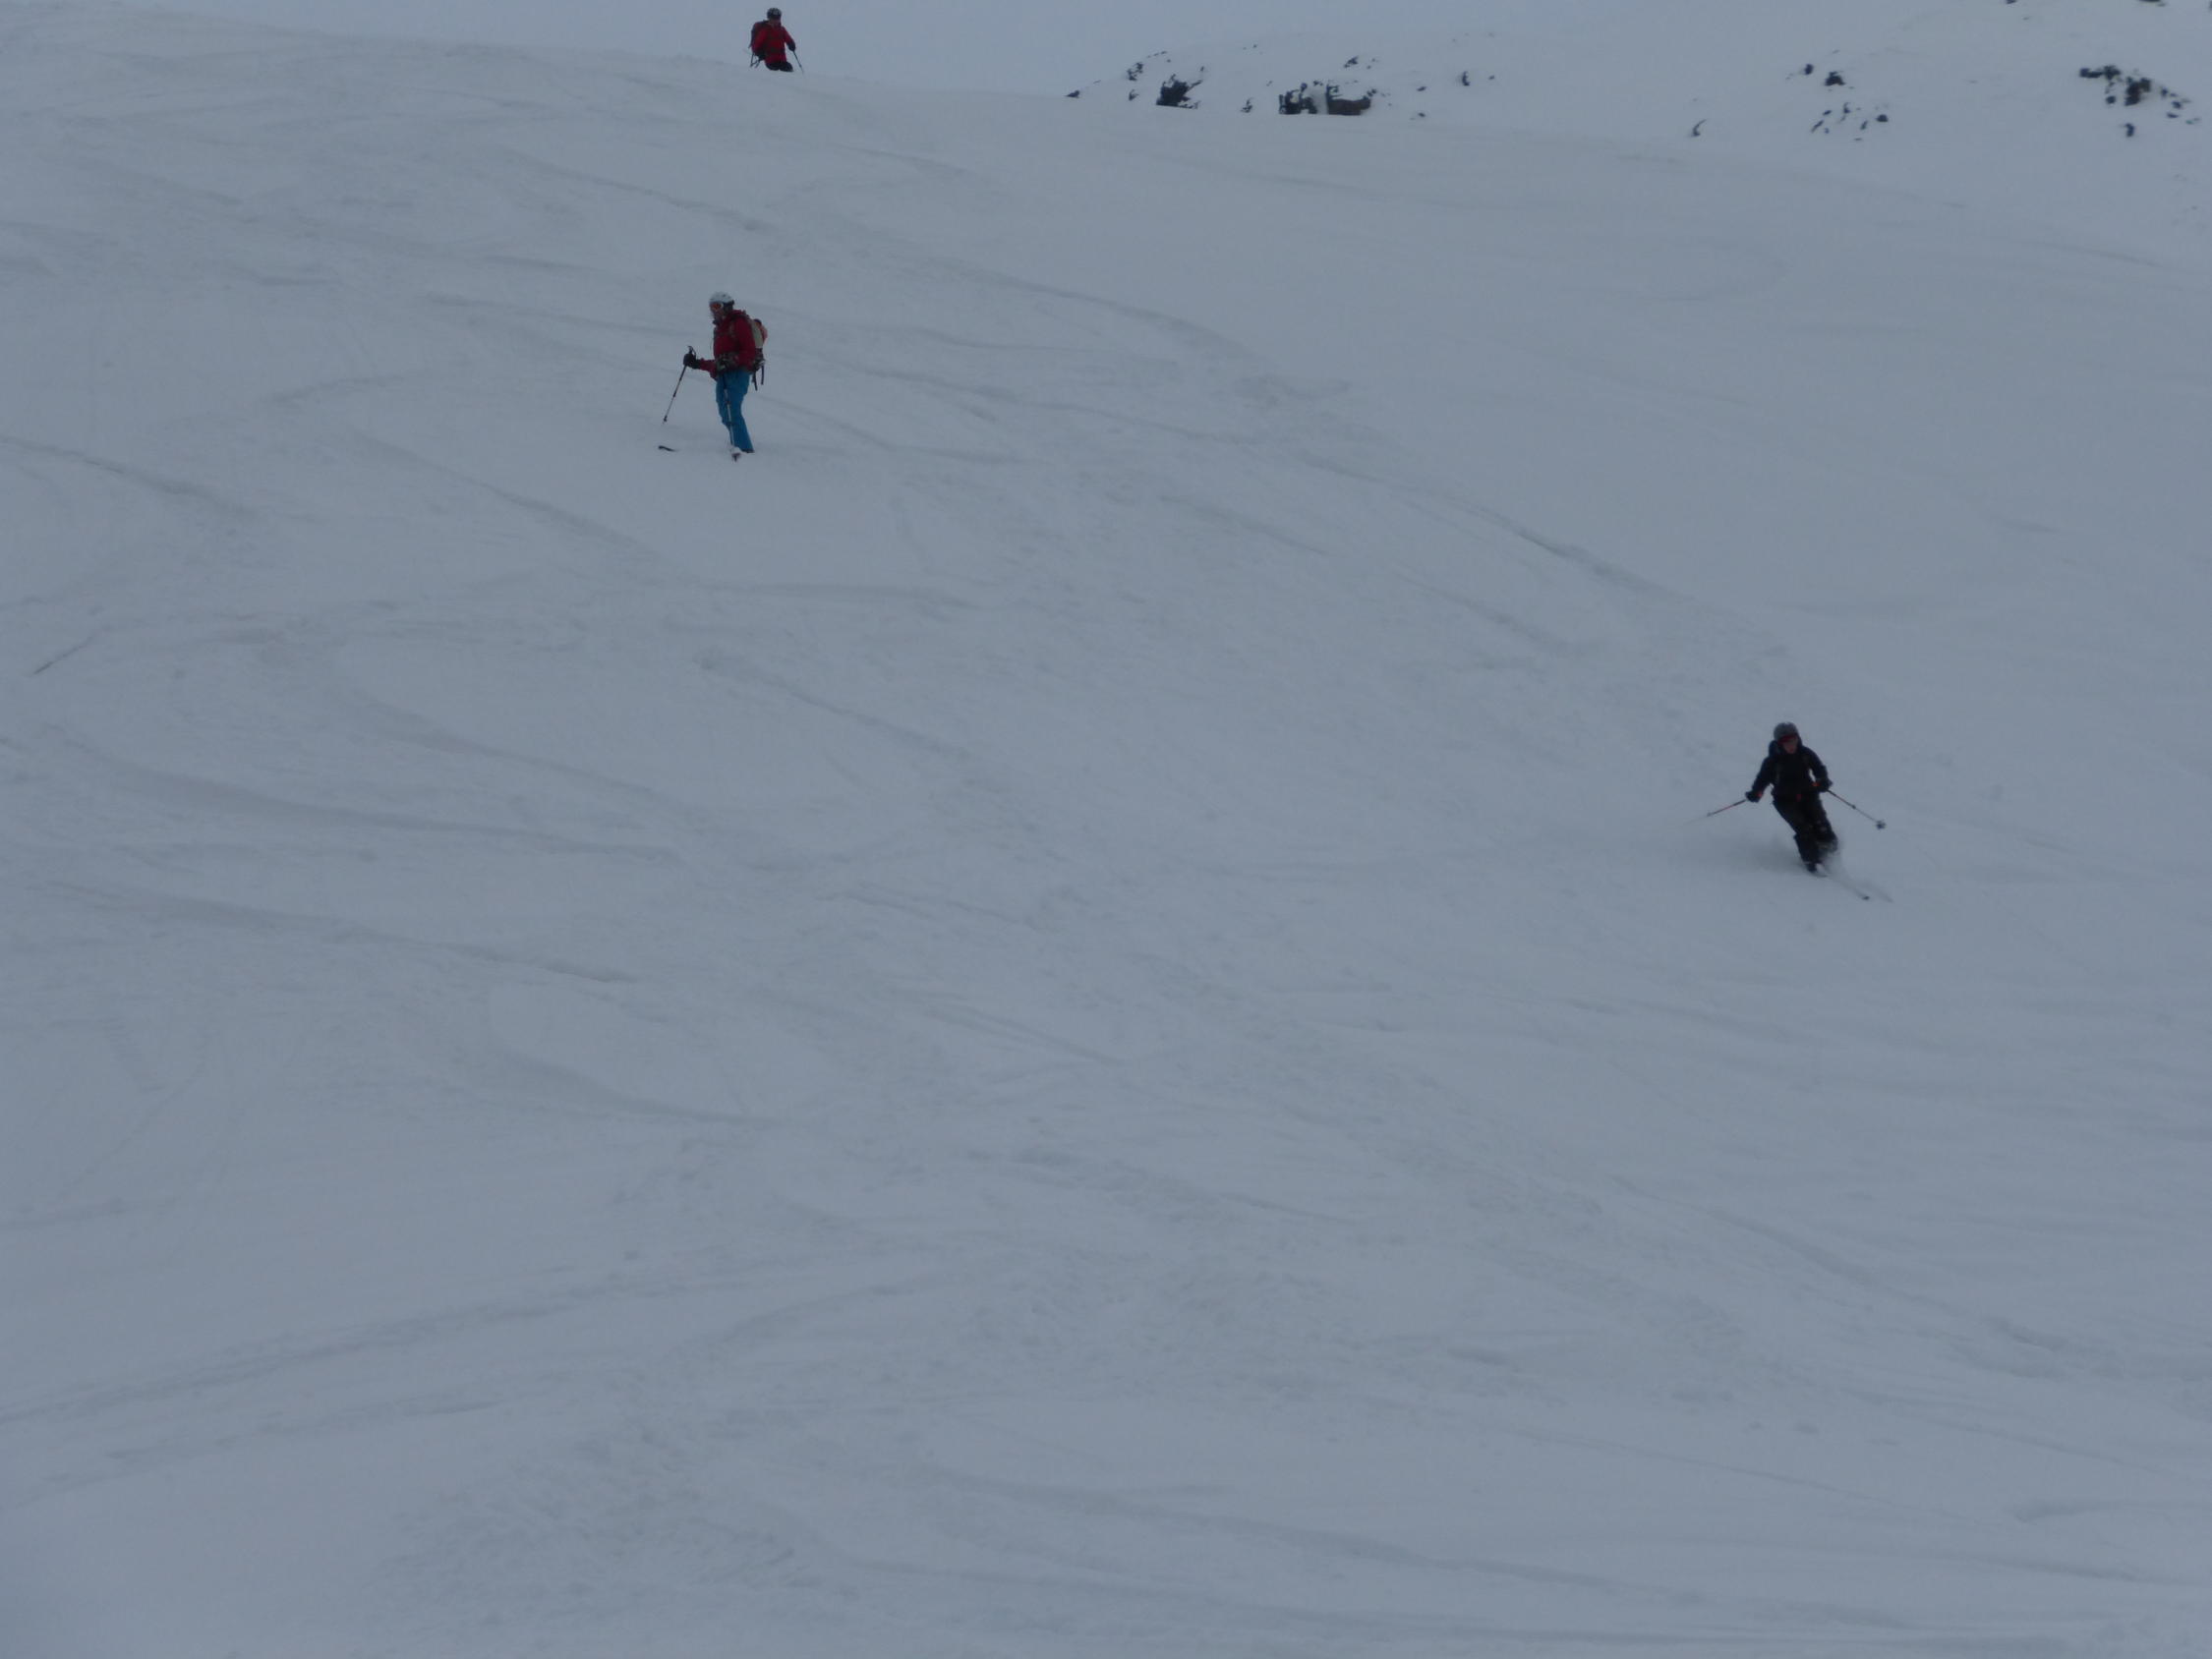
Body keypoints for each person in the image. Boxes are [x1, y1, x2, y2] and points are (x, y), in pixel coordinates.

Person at [1746, 721, 1838, 871]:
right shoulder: (1772, 761)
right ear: (1779, 743)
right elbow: (1762, 780)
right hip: (1785, 801)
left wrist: (1822, 780)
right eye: (1786, 742)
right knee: (1803, 828)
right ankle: (1812, 861)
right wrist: (1756, 792)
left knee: (1820, 823)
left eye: (1794, 740)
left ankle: (1830, 853)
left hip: (1808, 795)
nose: (1791, 745)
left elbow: (1819, 768)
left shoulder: (1805, 754)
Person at [683, 292, 762, 458]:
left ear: (727, 306)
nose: (714, 311)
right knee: (725, 413)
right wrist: (697, 363)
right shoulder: (720, 329)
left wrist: (731, 361)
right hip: (724, 376)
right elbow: (720, 362)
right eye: (711, 307)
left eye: (717, 306)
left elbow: (750, 352)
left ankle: (745, 449)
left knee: (732, 411)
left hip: (738, 374)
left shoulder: (738, 323)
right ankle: (737, 443)